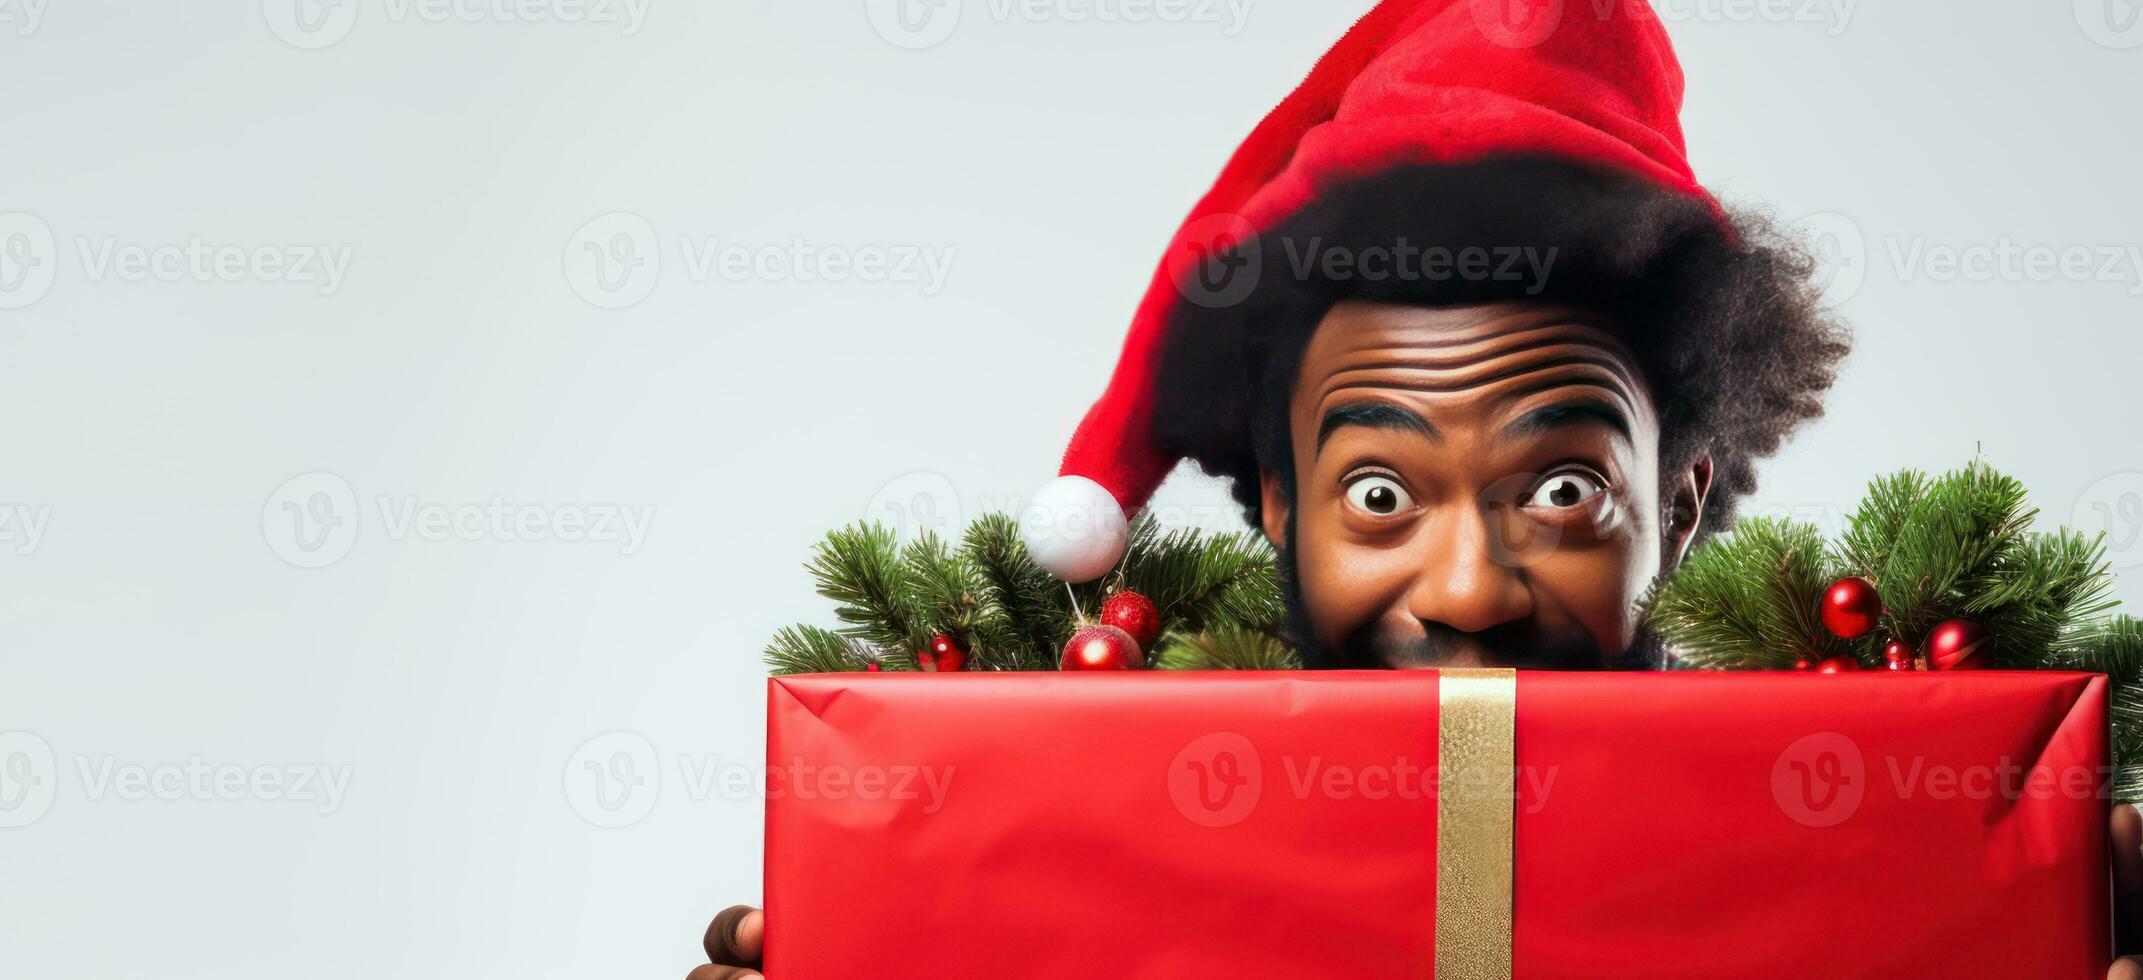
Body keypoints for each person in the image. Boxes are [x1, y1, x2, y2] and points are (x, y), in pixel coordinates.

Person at [689, 0, 2143, 975]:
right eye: (1382, 497)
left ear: (1683, 502)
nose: (1465, 593)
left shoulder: (1879, 850)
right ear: (1273, 498)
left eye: (1562, 493)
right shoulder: (1064, 839)